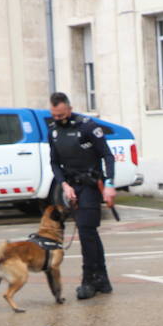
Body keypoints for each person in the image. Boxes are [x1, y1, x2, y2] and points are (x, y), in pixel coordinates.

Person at [47, 91, 116, 300]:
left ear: (69, 108)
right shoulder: (53, 131)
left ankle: (89, 281)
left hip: (91, 185)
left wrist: (110, 185)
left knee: (86, 229)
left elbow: (107, 155)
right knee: (89, 233)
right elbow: (54, 163)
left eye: (60, 115)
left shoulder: (88, 127)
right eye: (54, 115)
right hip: (72, 187)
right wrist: (64, 185)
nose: (57, 119)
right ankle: (102, 279)